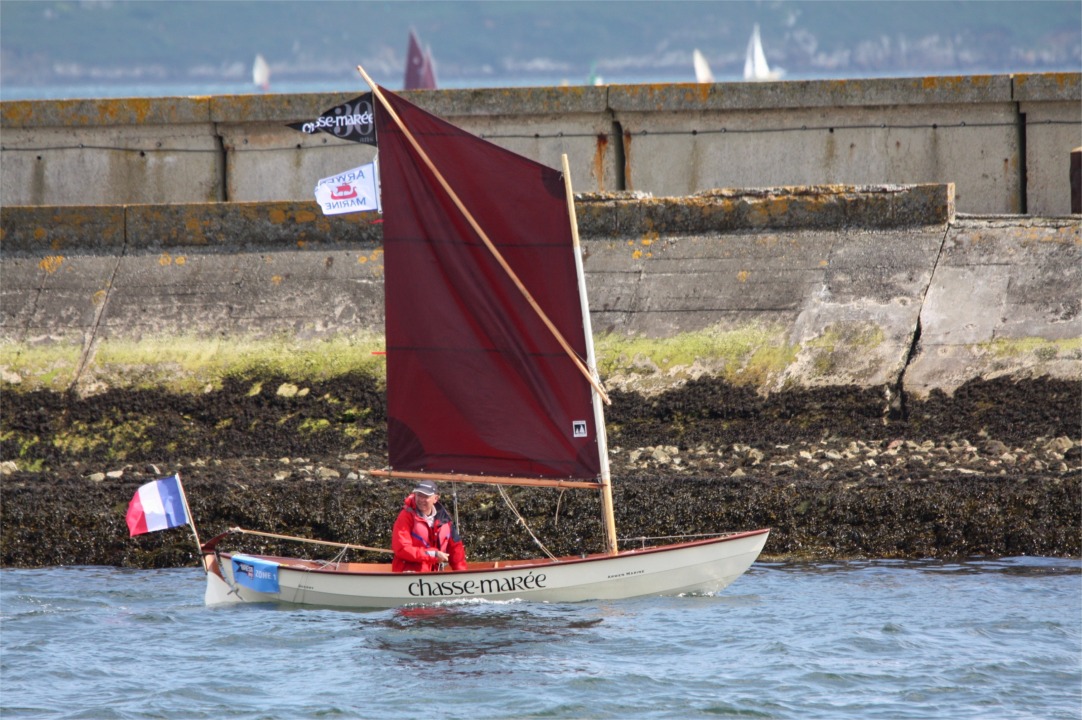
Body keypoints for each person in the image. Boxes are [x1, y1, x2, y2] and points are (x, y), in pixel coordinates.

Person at [391, 480, 467, 572]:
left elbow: (456, 550)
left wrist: (461, 575)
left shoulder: (444, 519)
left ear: (435, 498)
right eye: (419, 495)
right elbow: (402, 549)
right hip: (409, 576)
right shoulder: (405, 516)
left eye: (426, 496)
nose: (421, 500)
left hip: (431, 578)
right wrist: (433, 555)